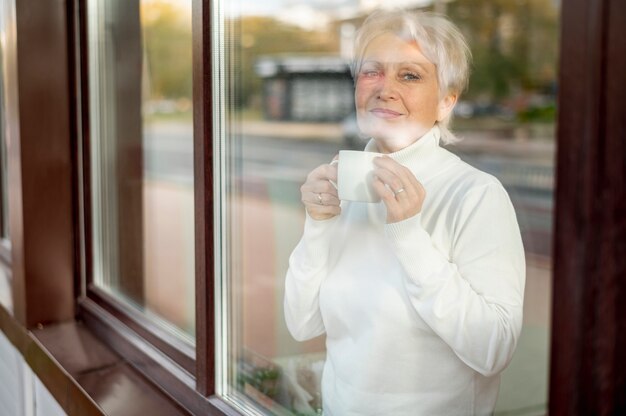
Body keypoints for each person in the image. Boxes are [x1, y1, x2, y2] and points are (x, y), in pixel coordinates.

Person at [284, 9, 525, 416]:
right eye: (371, 72)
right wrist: (318, 226)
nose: (384, 89)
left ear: (446, 102)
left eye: (410, 75)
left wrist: (411, 237)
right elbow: (302, 324)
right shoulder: (343, 184)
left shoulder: (476, 194)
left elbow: (494, 350)